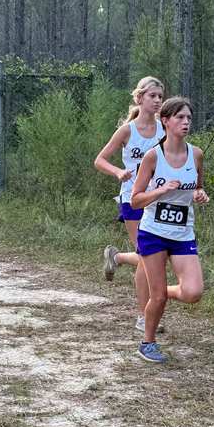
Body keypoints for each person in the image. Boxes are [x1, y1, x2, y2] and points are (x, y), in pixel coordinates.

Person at [129, 96, 209, 364]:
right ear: (165, 121)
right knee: (158, 296)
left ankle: (163, 291)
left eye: (188, 118)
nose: (186, 122)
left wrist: (200, 194)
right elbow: (135, 199)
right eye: (180, 118)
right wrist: (160, 190)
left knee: (193, 292)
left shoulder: (196, 154)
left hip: (183, 232)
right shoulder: (153, 156)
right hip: (153, 232)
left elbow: (197, 185)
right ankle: (148, 343)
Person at [94, 76, 165, 332]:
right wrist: (118, 172)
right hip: (132, 197)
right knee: (148, 256)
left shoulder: (164, 130)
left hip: (158, 199)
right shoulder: (128, 130)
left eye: (160, 96)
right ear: (140, 98)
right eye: (152, 96)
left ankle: (118, 256)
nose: (157, 101)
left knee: (152, 256)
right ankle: (143, 317)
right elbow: (100, 159)